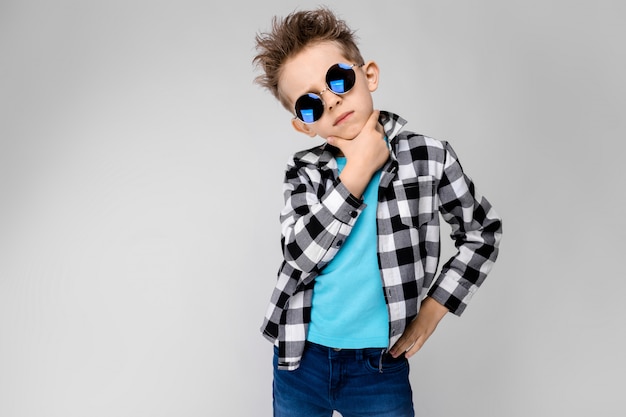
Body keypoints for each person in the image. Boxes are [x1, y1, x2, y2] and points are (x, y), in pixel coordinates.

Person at [253, 7, 502, 417]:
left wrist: (433, 311)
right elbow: (299, 257)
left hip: (378, 368)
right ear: (304, 124)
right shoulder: (305, 172)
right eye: (312, 103)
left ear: (368, 75)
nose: (332, 100)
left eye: (338, 79)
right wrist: (358, 172)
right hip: (301, 359)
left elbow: (482, 234)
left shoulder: (429, 157)